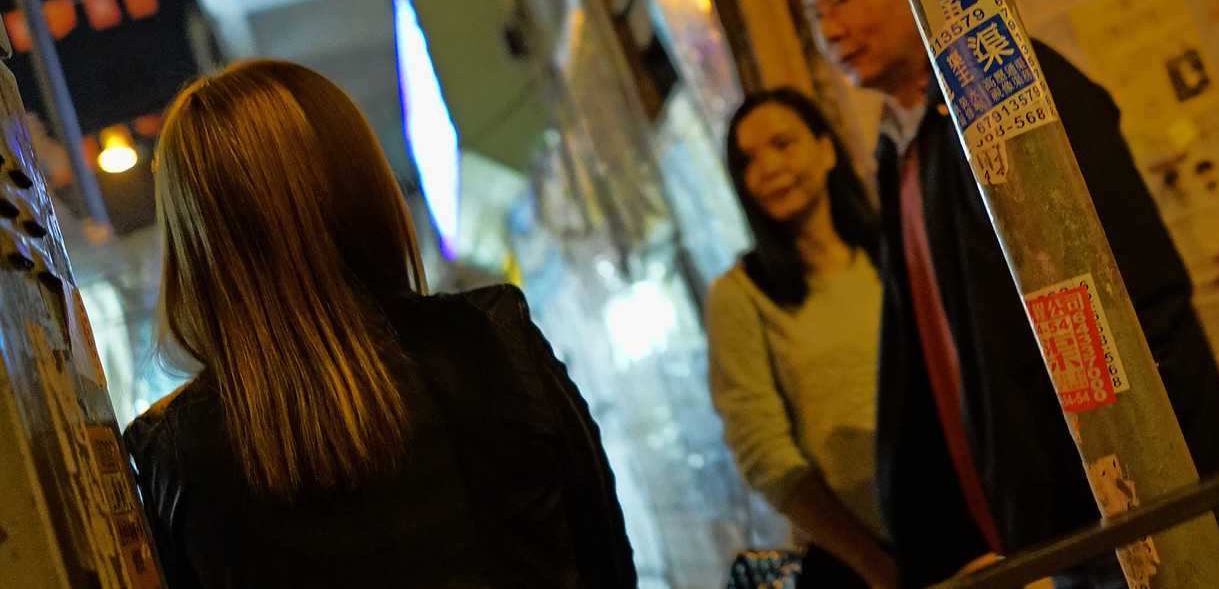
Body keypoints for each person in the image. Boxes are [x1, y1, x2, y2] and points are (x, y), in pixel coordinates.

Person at [802, 0, 1219, 587]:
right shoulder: (902, 141)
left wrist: (1156, 467)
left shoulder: (1001, 88)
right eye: (814, 16)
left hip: (1129, 489)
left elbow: (1131, 272)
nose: (829, 30)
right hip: (1058, 519)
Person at [125, 60, 634, 588]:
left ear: (197, 248)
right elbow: (609, 561)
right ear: (362, 187)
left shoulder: (177, 458)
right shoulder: (488, 342)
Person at [708, 89, 896, 588]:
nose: (768, 167)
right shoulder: (742, 295)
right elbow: (764, 453)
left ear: (826, 149)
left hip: (959, 537)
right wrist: (872, 564)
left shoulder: (891, 255)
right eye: (748, 161)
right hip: (856, 567)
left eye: (782, 144)